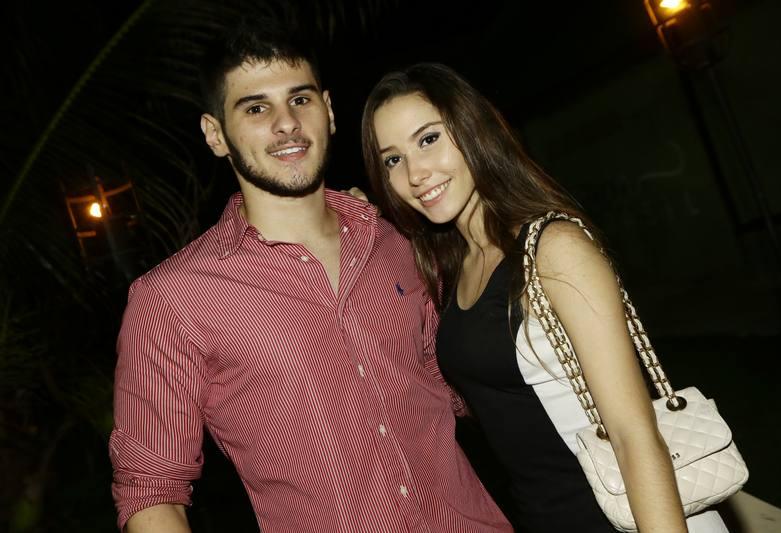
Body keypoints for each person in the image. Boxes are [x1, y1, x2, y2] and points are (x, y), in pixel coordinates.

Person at [109, 22, 513, 533]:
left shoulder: (397, 241)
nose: (287, 124)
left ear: (329, 110)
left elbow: (468, 389)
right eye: (256, 109)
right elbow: (151, 493)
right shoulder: (172, 299)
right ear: (215, 134)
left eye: (300, 100)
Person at [361, 62, 730, 532]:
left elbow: (633, 434)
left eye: (428, 139)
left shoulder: (554, 249)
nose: (415, 172)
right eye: (392, 160)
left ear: (471, 130)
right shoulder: (455, 268)